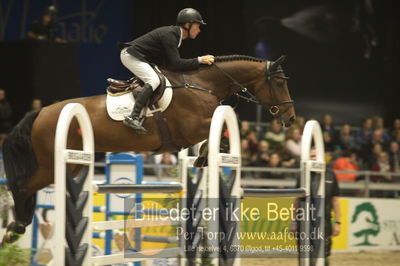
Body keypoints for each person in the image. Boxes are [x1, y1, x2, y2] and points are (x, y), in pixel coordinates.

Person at [119, 8, 214, 134]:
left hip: (140, 57)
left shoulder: (174, 36)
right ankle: (133, 116)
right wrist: (200, 60)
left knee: (160, 78)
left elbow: (171, 65)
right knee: (153, 79)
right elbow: (176, 63)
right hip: (130, 56)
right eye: (197, 26)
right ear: (187, 25)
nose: (199, 30)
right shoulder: (170, 35)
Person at [292, 148, 341, 266]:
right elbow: (297, 199)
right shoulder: (302, 174)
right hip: (304, 222)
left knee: (323, 255)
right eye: (311, 156)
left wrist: (338, 223)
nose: (313, 158)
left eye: (315, 156)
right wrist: (293, 221)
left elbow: (335, 200)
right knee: (304, 255)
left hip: (325, 222)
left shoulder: (330, 174)